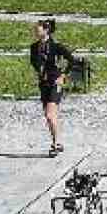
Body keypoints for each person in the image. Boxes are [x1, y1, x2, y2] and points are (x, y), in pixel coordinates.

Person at [30, 18, 77, 156]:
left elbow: (72, 60)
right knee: (49, 116)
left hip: (55, 83)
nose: (35, 30)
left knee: (50, 115)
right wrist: (40, 72)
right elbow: (34, 63)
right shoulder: (34, 47)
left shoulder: (56, 46)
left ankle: (55, 144)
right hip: (43, 84)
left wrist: (63, 75)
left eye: (38, 28)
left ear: (46, 30)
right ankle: (57, 141)